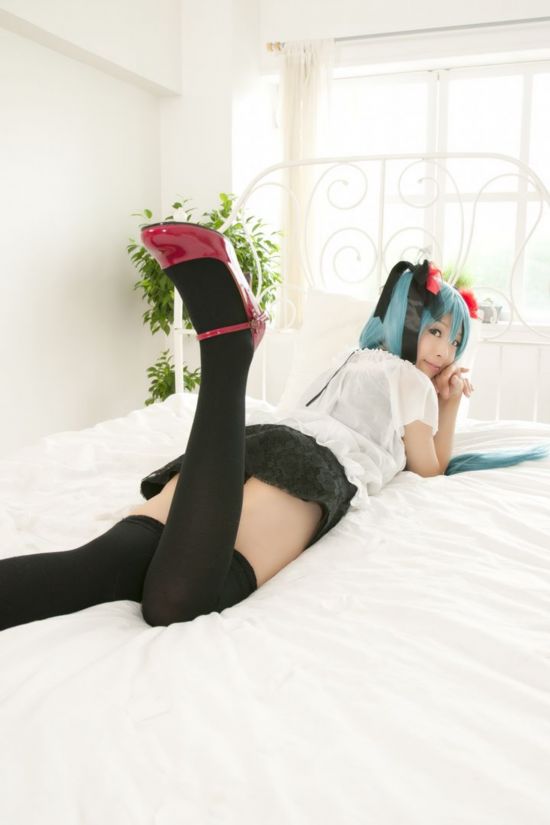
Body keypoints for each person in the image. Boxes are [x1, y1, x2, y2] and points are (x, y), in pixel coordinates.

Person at [1, 226, 547, 631]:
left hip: (249, 441)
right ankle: (229, 353)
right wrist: (447, 403)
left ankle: (228, 353)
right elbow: (429, 467)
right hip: (313, 466)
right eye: (436, 332)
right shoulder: (412, 382)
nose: (445, 352)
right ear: (405, 318)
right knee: (177, 602)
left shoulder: (347, 359)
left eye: (456, 342)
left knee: (99, 565)